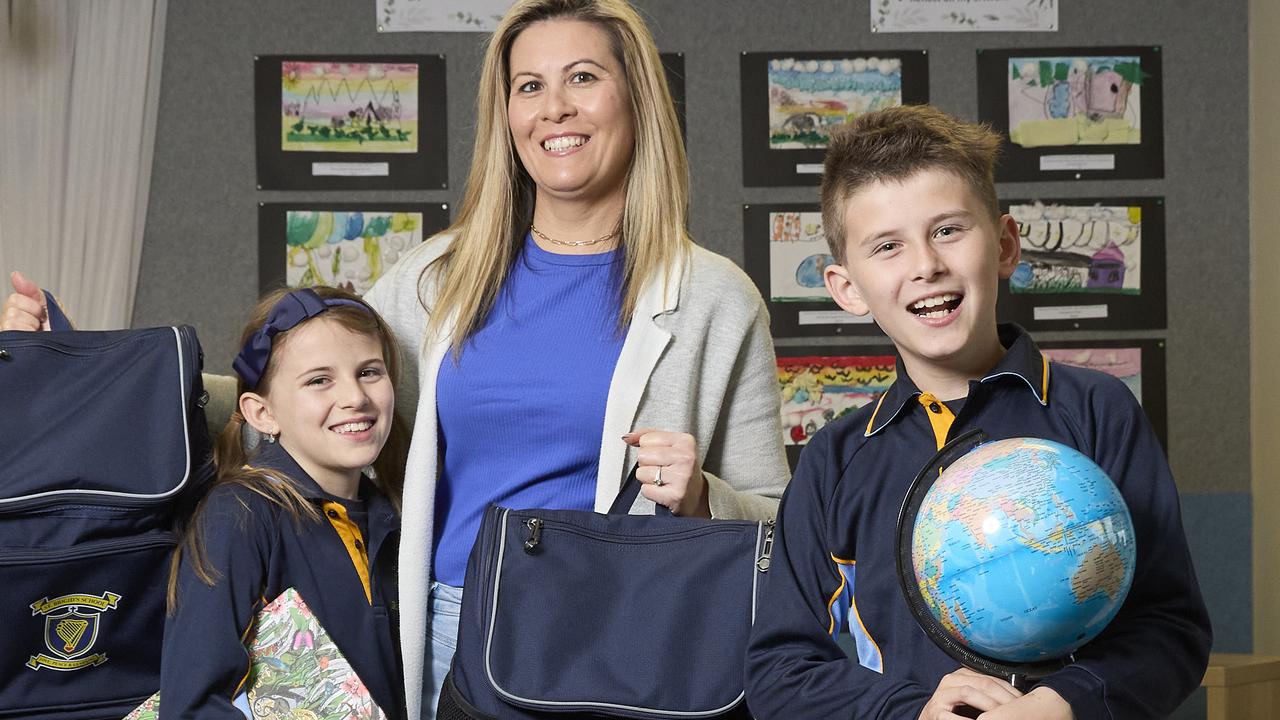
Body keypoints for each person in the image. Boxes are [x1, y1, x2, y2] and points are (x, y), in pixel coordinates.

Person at [4, 1, 790, 717]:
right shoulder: (437, 279)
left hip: (631, 640)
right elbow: (294, 394)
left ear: (636, 97)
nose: (554, 108)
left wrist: (702, 497)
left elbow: (779, 525)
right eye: (528, 86)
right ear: (504, 113)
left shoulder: (718, 299)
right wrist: (77, 367)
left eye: (583, 77)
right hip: (448, 636)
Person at [743, 105, 1211, 720]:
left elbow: (1169, 625)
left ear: (1006, 245)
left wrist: (1062, 704)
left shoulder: (1097, 412)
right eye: (887, 246)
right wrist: (911, 711)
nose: (925, 265)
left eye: (948, 230)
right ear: (847, 288)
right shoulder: (836, 457)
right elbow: (781, 670)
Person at [161, 287, 408, 720]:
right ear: (262, 413)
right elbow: (193, 704)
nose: (355, 397)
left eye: (369, 371)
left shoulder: (398, 514)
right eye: (319, 380)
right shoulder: (238, 515)